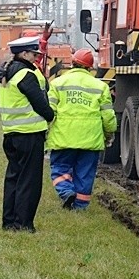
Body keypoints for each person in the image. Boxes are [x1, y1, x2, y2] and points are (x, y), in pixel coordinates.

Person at [0, 36, 55, 232]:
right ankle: (23, 224)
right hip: (30, 134)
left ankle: (9, 222)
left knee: (13, 177)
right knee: (29, 181)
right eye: (33, 54)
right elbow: (41, 103)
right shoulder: (27, 75)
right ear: (24, 54)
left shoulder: (5, 72)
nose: (36, 58)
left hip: (10, 133)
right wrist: (50, 116)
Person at [47, 48, 116, 210]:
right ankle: (80, 207)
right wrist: (109, 133)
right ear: (90, 67)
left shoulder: (57, 84)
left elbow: (50, 112)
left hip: (63, 138)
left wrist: (45, 133)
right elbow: (107, 116)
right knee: (85, 175)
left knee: (59, 169)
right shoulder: (100, 86)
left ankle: (66, 191)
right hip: (91, 139)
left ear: (72, 63)